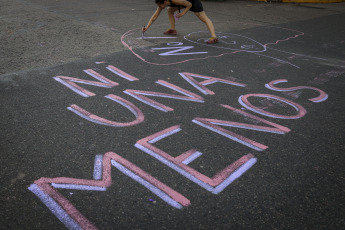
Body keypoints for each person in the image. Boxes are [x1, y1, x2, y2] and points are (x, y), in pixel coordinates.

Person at [143, 0, 218, 44]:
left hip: (193, 2)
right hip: (184, 3)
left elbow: (189, 4)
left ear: (165, 1)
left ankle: (213, 36)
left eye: (160, 5)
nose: (159, 7)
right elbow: (154, 17)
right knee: (170, 10)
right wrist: (146, 27)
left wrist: (182, 13)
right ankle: (172, 29)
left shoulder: (174, 0)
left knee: (203, 18)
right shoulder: (164, 2)